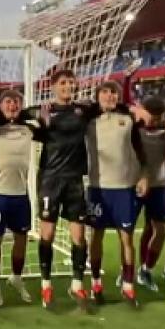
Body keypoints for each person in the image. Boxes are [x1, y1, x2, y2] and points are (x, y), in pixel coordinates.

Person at [34, 69, 101, 308]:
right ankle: (46, 285)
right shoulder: (45, 111)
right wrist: (40, 123)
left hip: (74, 180)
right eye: (63, 83)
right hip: (50, 181)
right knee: (48, 235)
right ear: (53, 86)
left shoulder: (83, 109)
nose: (67, 86)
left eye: (71, 83)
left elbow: (111, 101)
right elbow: (21, 120)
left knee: (79, 236)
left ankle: (77, 284)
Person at [85, 79, 148, 308]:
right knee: (96, 236)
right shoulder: (88, 119)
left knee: (127, 237)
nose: (110, 96)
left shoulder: (128, 120)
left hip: (124, 188)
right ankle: (96, 283)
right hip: (98, 187)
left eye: (114, 93)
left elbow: (140, 149)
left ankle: (129, 286)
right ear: (98, 96)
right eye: (105, 92)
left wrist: (144, 175)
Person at [0, 89, 37, 305]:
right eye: (8, 102)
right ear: (0, 105)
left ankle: (16, 277)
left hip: (21, 195)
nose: (12, 105)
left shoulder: (29, 130)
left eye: (16, 102)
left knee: (21, 239)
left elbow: (49, 129)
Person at [132, 96, 165, 292]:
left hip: (158, 187)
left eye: (158, 117)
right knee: (127, 231)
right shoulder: (133, 130)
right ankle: (128, 271)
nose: (154, 120)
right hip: (133, 186)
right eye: (151, 116)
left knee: (160, 230)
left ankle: (146, 269)